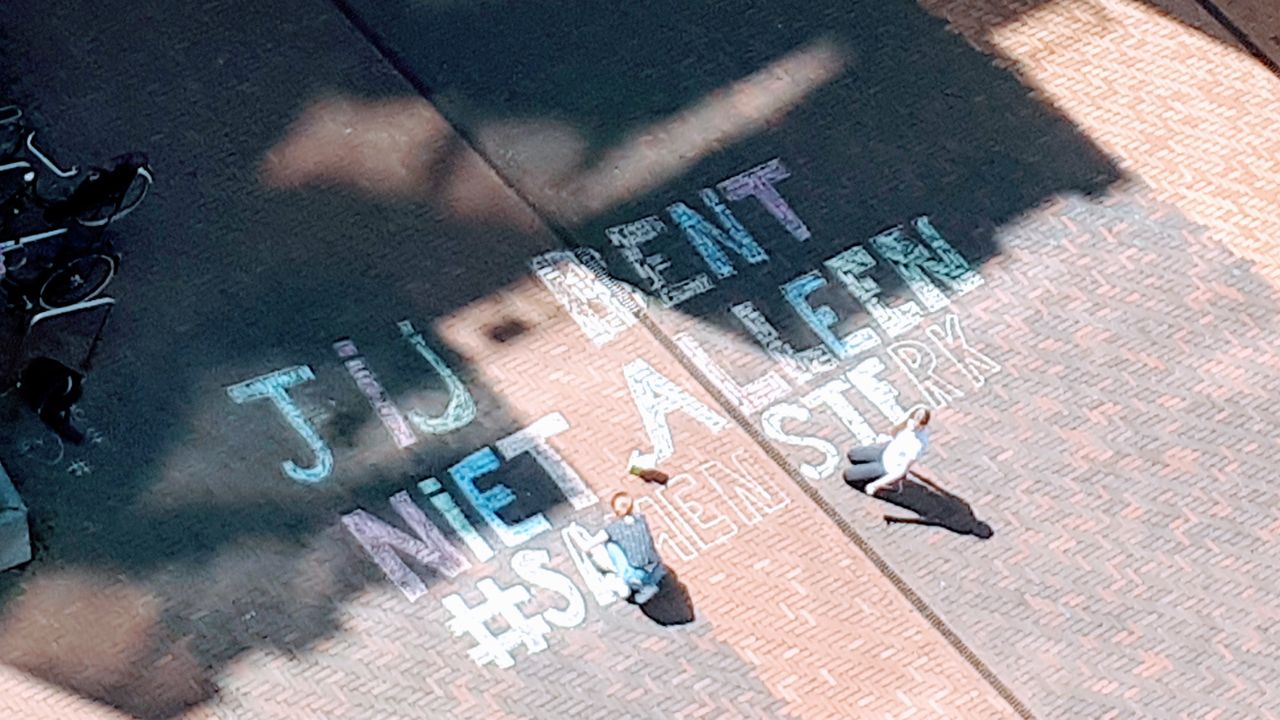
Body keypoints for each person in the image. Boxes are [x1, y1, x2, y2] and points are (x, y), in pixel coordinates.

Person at [594, 492, 667, 605]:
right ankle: (649, 586)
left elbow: (588, 545)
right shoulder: (641, 519)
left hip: (636, 575)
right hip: (656, 569)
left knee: (611, 546)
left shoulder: (614, 528)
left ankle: (627, 583)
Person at [844, 407, 932, 495]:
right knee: (853, 454)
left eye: (919, 422)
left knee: (849, 475)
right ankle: (870, 469)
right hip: (884, 453)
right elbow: (894, 433)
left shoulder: (918, 445)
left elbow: (901, 470)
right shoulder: (908, 424)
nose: (915, 423)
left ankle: (892, 483)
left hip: (888, 467)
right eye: (914, 418)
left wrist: (874, 485)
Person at [17, 356, 86, 444]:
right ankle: (72, 435)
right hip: (34, 376)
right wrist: (38, 405)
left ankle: (71, 434)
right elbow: (49, 387)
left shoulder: (68, 380)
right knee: (50, 414)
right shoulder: (63, 383)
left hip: (37, 371)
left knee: (52, 413)